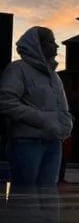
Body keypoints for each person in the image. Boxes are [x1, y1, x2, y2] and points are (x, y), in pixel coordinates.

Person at [0, 27, 73, 188]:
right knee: (26, 194)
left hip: (53, 141)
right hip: (26, 142)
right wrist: (43, 120)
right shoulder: (18, 69)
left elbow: (61, 106)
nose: (56, 46)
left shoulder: (54, 76)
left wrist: (65, 123)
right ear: (37, 44)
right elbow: (6, 101)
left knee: (48, 194)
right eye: (51, 41)